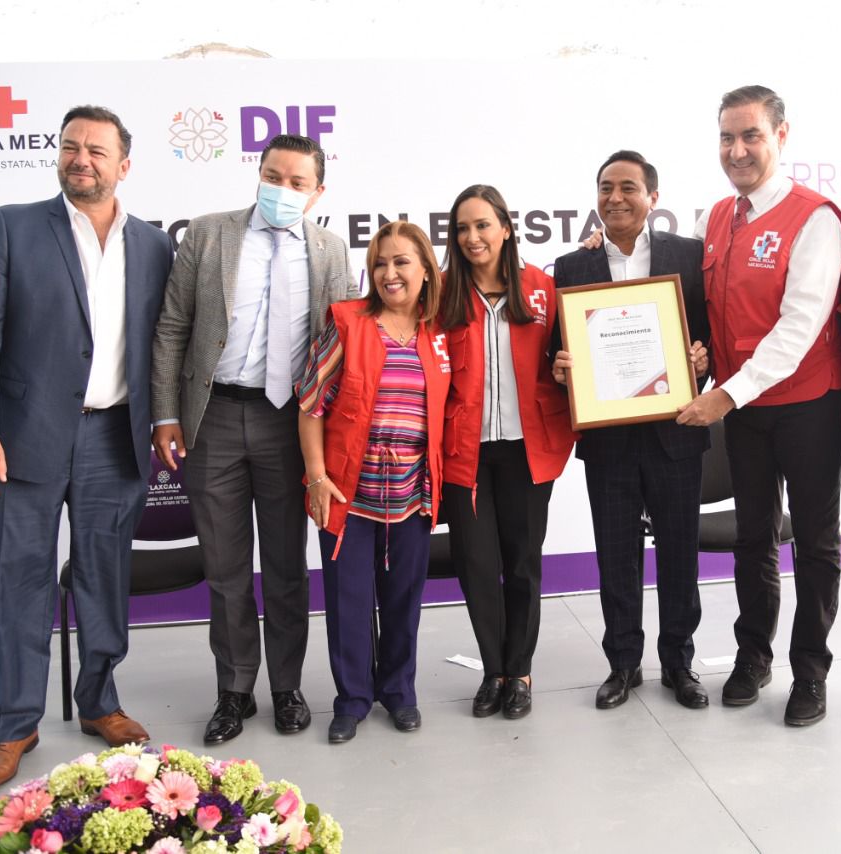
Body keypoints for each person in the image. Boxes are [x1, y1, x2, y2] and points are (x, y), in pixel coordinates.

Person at [0, 105, 172, 793]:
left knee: (104, 576)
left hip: (115, 435)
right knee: (20, 582)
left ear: (123, 165)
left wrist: (165, 419)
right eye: (71, 146)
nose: (81, 158)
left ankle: (100, 702)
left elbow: (163, 343)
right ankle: (13, 725)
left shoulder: (154, 245)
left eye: (97, 150)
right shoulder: (10, 226)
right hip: (20, 440)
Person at [150, 134, 356, 745]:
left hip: (290, 424)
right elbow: (173, 327)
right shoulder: (207, 234)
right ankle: (234, 689)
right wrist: (165, 414)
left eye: (297, 183)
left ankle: (287, 687)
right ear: (258, 174)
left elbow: (345, 340)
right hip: (213, 416)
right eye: (273, 176)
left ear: (318, 192)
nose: (281, 189)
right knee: (226, 567)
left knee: (287, 566)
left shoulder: (330, 250)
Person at [677, 85, 841, 726]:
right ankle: (753, 657)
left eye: (751, 135)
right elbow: (693, 304)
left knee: (816, 543)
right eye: (727, 137)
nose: (737, 150)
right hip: (745, 409)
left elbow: (800, 324)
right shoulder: (717, 217)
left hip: (808, 405)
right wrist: (694, 356)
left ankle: (811, 671)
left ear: (781, 135)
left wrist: (724, 392)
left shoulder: (814, 217)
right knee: (754, 537)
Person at [552, 150, 712, 712]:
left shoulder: (688, 256)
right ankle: (623, 663)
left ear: (652, 197)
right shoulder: (572, 267)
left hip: (676, 429)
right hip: (609, 438)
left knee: (679, 555)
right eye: (605, 188)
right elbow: (558, 350)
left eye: (627, 187)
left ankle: (679, 663)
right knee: (616, 555)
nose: (614, 198)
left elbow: (710, 335)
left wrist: (702, 362)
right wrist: (560, 368)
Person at [298, 221, 451, 744]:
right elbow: (311, 405)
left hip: (412, 493)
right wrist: (317, 478)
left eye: (401, 262)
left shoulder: (440, 331)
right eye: (380, 263)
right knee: (349, 601)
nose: (389, 273)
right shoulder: (347, 323)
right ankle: (352, 700)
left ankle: (399, 692)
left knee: (404, 599)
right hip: (348, 493)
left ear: (426, 270)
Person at [438, 185, 576, 720]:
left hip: (528, 448)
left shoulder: (542, 288)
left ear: (506, 228)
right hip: (464, 451)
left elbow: (570, 355)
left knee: (522, 563)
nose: (472, 237)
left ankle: (519, 671)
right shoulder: (441, 292)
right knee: (476, 565)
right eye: (462, 228)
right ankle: (491, 670)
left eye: (482, 225)